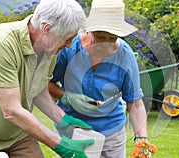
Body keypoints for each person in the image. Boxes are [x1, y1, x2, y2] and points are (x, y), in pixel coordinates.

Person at [0, 0, 95, 158]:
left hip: (19, 135)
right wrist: (61, 145)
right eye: (67, 39)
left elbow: (38, 89)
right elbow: (12, 110)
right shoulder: (1, 43)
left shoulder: (50, 49)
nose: (69, 45)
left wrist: (64, 120)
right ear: (47, 28)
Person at [48, 0, 154, 157]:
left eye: (112, 38)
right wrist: (67, 97)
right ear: (90, 30)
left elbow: (135, 103)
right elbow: (45, 84)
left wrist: (142, 140)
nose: (106, 43)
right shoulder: (70, 48)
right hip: (72, 128)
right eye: (100, 36)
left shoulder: (125, 56)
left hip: (111, 132)